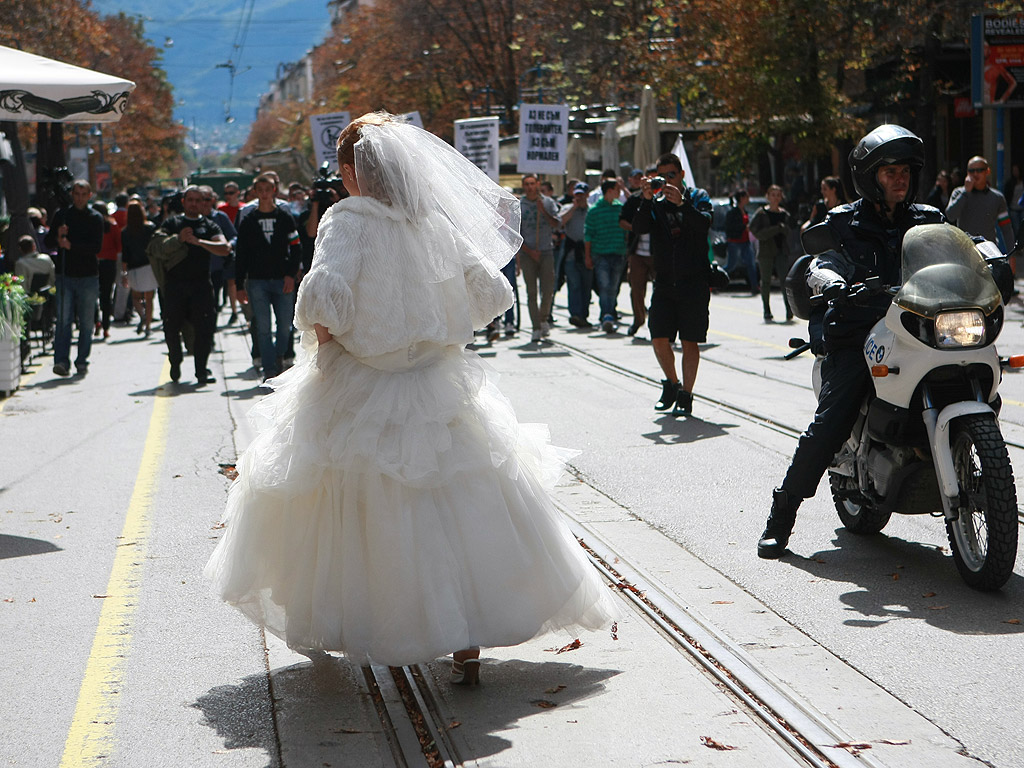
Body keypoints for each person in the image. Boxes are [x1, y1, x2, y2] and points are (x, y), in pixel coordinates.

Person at [204, 112, 615, 680]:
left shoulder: (348, 219)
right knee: (456, 505)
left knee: (358, 511)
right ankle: (466, 641)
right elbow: (493, 291)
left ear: (353, 170)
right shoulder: (433, 223)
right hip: (437, 381)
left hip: (362, 381)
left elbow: (326, 299)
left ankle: (357, 620)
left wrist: (327, 342)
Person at [757, 124, 945, 559]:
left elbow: (962, 249)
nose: (900, 178)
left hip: (919, 329)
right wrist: (831, 281)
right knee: (832, 421)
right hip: (859, 332)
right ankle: (781, 515)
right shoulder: (843, 222)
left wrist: (989, 255)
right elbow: (819, 263)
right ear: (869, 177)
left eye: (905, 171)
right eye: (889, 171)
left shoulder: (928, 219)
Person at [631, 152, 713, 416]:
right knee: (658, 337)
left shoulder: (697, 197)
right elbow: (639, 228)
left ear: (682, 175)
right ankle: (672, 384)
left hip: (694, 282)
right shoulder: (654, 201)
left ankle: (686, 395)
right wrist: (645, 199)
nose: (667, 181)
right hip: (665, 282)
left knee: (690, 341)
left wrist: (682, 205)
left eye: (671, 176)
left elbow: (704, 224)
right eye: (661, 177)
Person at [148, 185, 230, 385]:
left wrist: (199, 242)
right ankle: (175, 361)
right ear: (184, 202)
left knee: (204, 329)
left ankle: (201, 370)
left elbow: (224, 248)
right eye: (190, 200)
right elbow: (156, 247)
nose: (194, 204)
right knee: (171, 327)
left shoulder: (210, 226)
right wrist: (179, 239)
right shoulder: (172, 224)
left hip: (201, 285)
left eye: (198, 200)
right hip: (175, 286)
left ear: (204, 203)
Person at [235, 174, 302, 382]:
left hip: (282, 279)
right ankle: (269, 367)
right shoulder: (248, 221)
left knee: (284, 325)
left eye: (268, 189)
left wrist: (291, 275)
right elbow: (241, 254)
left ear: (274, 191)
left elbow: (296, 247)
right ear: (255, 192)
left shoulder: (285, 218)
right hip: (257, 281)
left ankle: (281, 356)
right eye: (260, 190)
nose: (264, 194)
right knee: (262, 326)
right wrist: (239, 285)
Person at [44, 180, 104, 377]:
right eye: (76, 193)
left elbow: (96, 247)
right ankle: (61, 360)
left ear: (89, 195)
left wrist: (72, 246)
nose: (79, 197)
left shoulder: (95, 218)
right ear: (72, 194)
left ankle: (81, 360)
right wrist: (57, 237)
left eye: (83, 194)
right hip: (65, 275)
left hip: (87, 276)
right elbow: (48, 241)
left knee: (86, 323)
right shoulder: (62, 215)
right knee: (63, 320)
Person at [946, 156, 1016, 266]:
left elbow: (1006, 228)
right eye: (971, 171)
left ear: (987, 171)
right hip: (964, 255)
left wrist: (1012, 256)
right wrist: (966, 192)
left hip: (989, 255)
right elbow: (950, 215)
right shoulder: (959, 193)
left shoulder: (997, 198)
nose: (975, 174)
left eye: (979, 170)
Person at [517, 173, 560, 342]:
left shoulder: (548, 202)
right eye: (526, 184)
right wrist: (528, 251)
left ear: (537, 184)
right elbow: (516, 234)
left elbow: (557, 224)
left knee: (548, 290)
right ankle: (535, 327)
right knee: (532, 291)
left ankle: (543, 318)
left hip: (546, 251)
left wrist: (544, 212)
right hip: (528, 254)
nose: (529, 187)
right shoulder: (520, 205)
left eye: (532, 183)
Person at [585, 179, 628, 333]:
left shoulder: (620, 208)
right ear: (609, 190)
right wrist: (588, 256)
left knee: (613, 287)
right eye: (617, 189)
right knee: (604, 286)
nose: (619, 192)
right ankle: (607, 315)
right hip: (600, 254)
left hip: (618, 253)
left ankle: (609, 313)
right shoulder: (594, 210)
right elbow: (588, 235)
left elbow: (626, 232)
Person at [750, 185, 796, 322]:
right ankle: (766, 310)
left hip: (781, 250)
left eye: (778, 195)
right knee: (765, 281)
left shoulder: (784, 214)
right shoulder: (761, 214)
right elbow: (757, 232)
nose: (775, 198)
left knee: (785, 281)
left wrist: (783, 229)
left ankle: (789, 310)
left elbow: (789, 231)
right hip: (766, 252)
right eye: (773, 195)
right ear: (768, 196)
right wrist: (776, 229)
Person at [619, 166, 656, 335]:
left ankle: (657, 321)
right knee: (636, 288)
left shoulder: (662, 200)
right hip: (637, 253)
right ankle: (638, 319)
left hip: (657, 253)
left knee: (661, 289)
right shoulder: (634, 200)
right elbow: (621, 220)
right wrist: (635, 228)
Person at [120, 199, 158, 338]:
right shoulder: (149, 228)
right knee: (149, 299)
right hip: (149, 266)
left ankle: (142, 315)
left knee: (136, 297)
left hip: (134, 268)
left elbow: (125, 254)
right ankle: (148, 325)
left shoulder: (125, 232)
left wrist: (124, 273)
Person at [560, 182, 592, 327]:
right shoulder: (567, 208)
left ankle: (583, 314)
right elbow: (560, 222)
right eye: (576, 194)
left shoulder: (591, 210)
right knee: (574, 285)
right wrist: (574, 207)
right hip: (571, 254)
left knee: (586, 285)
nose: (579, 197)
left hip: (587, 253)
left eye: (581, 195)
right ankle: (575, 314)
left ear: (587, 195)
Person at [93, 202, 122, 339]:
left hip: (93, 262)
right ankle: (105, 326)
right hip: (109, 263)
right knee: (106, 295)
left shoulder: (91, 225)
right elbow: (118, 245)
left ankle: (95, 321)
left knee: (92, 295)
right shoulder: (113, 225)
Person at [723, 189, 757, 293]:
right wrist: (744, 227)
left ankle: (754, 287)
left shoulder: (745, 211)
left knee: (751, 264)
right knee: (731, 265)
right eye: (746, 197)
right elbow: (730, 227)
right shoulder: (732, 212)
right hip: (735, 241)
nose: (748, 199)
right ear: (741, 198)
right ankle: (715, 278)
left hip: (745, 241)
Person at [1002, 163, 1023, 241]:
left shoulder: (1022, 182)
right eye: (1014, 170)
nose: (1015, 172)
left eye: (1016, 170)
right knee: (1016, 229)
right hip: (1013, 209)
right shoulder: (1010, 183)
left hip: (1022, 209)